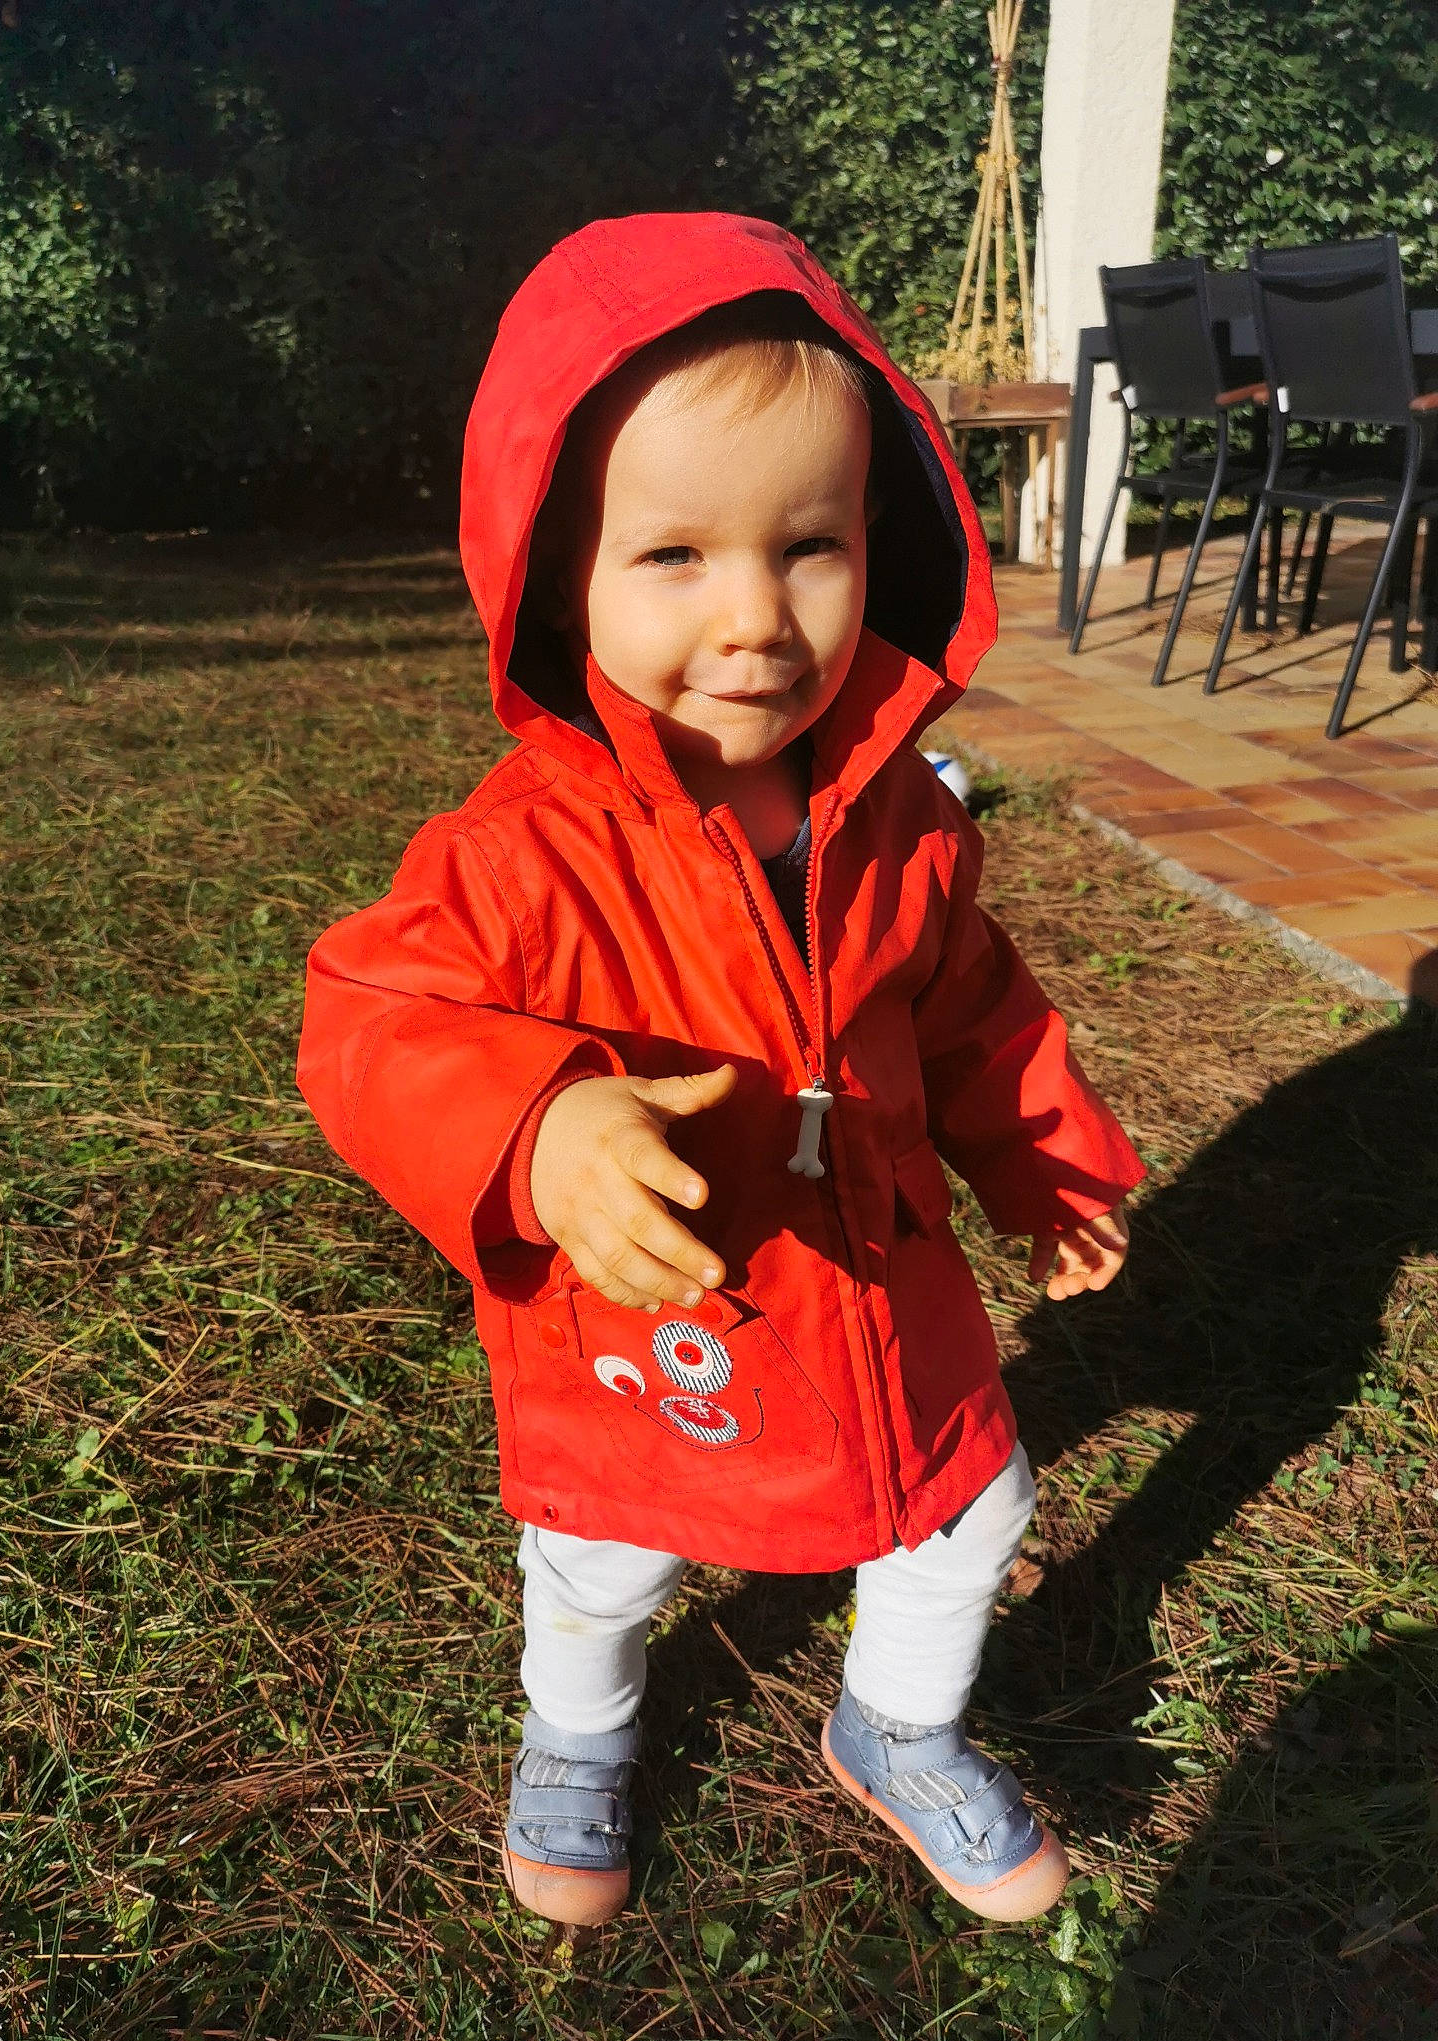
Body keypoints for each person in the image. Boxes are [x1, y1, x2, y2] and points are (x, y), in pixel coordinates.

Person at [297, 213, 1143, 1932]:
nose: (758, 616)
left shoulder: (897, 812)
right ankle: (579, 1734)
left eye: (811, 545)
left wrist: (1041, 1152)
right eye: (674, 556)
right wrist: (537, 1130)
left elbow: (973, 1003)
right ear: (556, 577)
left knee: (966, 1517)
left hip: (885, 1294)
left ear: (878, 540)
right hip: (653, 1325)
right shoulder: (523, 850)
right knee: (609, 1564)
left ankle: (897, 1726)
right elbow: (374, 1020)